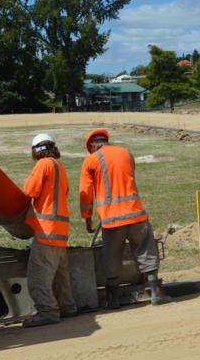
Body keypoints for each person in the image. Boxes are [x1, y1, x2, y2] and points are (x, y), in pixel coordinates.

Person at [79, 129, 171, 308]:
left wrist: (87, 220)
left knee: (111, 257)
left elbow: (86, 195)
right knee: (146, 251)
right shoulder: (126, 153)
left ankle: (113, 300)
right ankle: (156, 292)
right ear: (106, 141)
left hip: (112, 220)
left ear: (92, 145)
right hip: (136, 214)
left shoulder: (91, 160)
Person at [23, 133, 76, 327]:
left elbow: (29, 190)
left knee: (39, 274)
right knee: (61, 273)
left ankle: (47, 312)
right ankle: (67, 307)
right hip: (59, 230)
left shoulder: (43, 164)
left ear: (37, 150)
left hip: (46, 230)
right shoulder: (59, 166)